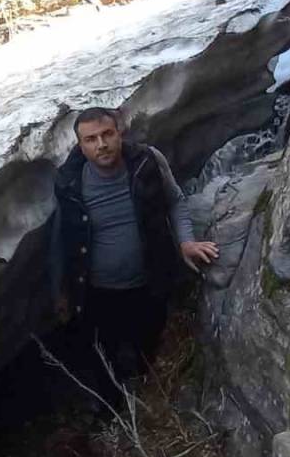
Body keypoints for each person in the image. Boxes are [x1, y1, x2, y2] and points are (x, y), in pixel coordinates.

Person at [48, 107, 219, 385]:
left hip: (149, 282)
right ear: (80, 145)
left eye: (107, 134)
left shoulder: (147, 161)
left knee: (147, 343)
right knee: (103, 354)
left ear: (120, 133)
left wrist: (186, 242)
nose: (101, 144)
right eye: (91, 139)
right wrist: (60, 290)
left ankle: (146, 386)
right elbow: (60, 236)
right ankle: (111, 404)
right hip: (97, 292)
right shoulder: (71, 182)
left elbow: (175, 200)